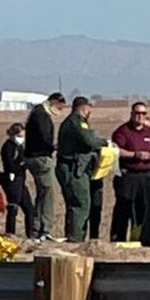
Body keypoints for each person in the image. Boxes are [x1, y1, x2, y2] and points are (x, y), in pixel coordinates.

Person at [56, 96, 108, 242]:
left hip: (70, 167)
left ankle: (72, 236)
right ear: (85, 108)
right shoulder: (76, 122)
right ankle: (76, 239)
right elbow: (89, 141)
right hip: (73, 169)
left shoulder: (71, 122)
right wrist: (103, 142)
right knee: (81, 204)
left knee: (74, 204)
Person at [109, 102, 150, 241]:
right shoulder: (122, 131)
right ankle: (117, 239)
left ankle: (140, 238)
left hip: (145, 176)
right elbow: (116, 150)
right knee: (123, 208)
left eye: (143, 114)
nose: (140, 116)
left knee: (143, 208)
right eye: (137, 113)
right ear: (131, 114)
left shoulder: (149, 131)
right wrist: (135, 155)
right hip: (128, 175)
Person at [24, 92, 67, 241]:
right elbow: (43, 137)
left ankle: (36, 228)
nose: (59, 112)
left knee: (42, 193)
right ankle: (44, 229)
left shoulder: (36, 112)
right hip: (40, 158)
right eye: (60, 107)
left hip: (33, 156)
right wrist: (52, 147)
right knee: (47, 194)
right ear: (54, 102)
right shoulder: (41, 115)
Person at [0, 123, 34, 238]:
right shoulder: (8, 147)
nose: (22, 139)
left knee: (29, 209)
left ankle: (31, 235)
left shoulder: (20, 147)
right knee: (13, 207)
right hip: (12, 182)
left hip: (21, 181)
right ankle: (10, 234)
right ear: (13, 135)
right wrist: (23, 163)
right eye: (19, 136)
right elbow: (11, 166)